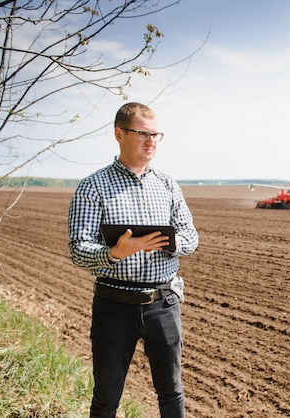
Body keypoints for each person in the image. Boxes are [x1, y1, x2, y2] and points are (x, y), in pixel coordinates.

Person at [68, 102, 199, 418]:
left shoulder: (167, 184)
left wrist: (169, 243)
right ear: (119, 134)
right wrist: (114, 253)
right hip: (114, 306)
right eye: (143, 134)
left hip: (164, 304)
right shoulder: (93, 186)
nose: (151, 141)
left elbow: (191, 237)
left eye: (156, 135)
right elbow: (78, 249)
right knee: (106, 397)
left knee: (172, 393)